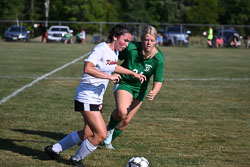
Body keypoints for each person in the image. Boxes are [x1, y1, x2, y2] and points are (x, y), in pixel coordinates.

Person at [44, 24, 146, 167]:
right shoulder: (101, 49)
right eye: (126, 40)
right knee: (101, 135)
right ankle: (76, 159)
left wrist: (132, 73)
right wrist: (108, 77)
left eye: (129, 41)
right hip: (86, 97)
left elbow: (113, 66)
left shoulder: (114, 51)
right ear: (115, 37)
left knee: (87, 133)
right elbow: (88, 67)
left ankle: (54, 149)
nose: (127, 44)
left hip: (96, 98)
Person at [102, 25, 164, 150]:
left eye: (152, 40)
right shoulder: (131, 47)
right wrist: (110, 67)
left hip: (140, 89)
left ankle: (106, 142)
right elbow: (116, 53)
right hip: (124, 82)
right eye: (146, 40)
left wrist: (154, 91)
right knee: (122, 111)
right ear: (141, 39)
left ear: (156, 41)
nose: (148, 43)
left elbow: (158, 80)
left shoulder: (158, 58)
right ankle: (107, 130)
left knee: (125, 121)